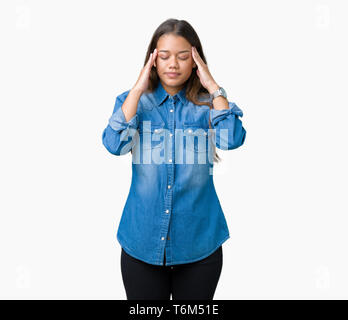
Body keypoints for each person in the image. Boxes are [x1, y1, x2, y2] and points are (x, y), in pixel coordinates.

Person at [102, 18, 246, 300]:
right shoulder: (134, 102)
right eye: (164, 56)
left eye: (183, 57)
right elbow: (113, 144)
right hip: (140, 244)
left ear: (195, 61)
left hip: (199, 246)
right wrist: (137, 89)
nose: (173, 64)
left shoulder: (209, 104)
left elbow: (231, 139)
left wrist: (214, 87)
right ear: (152, 60)